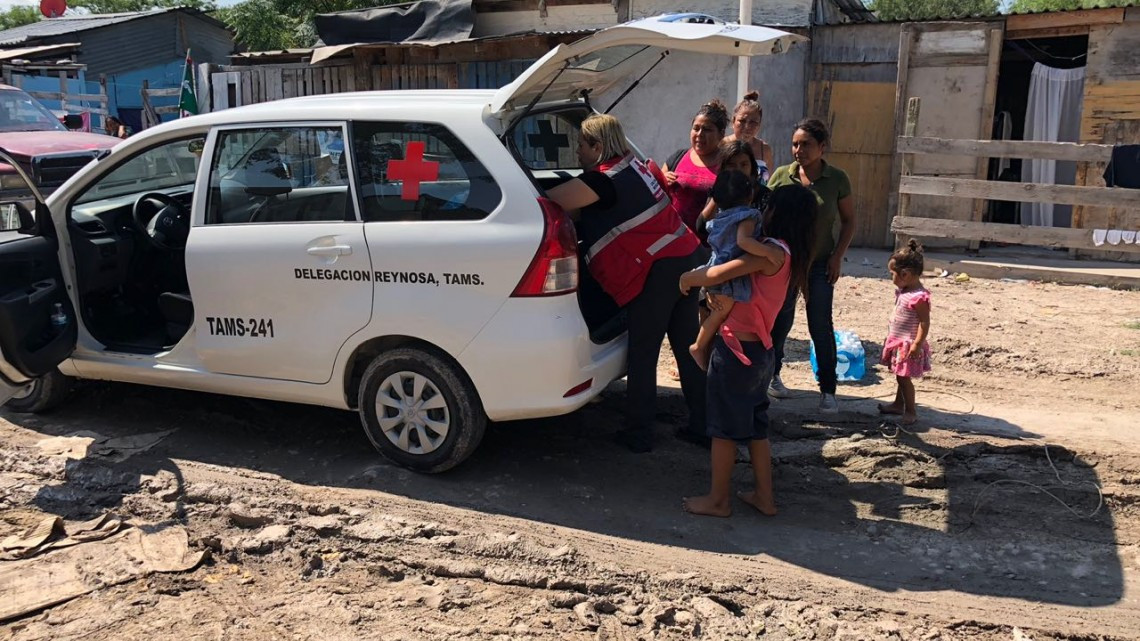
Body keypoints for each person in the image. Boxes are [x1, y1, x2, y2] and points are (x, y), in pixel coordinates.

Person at [546, 113, 708, 452]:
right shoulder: (636, 166)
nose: (577, 153)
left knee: (643, 353)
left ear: (598, 146)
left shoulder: (602, 181)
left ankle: (638, 434)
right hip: (685, 259)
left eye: (581, 146)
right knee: (686, 346)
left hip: (657, 271)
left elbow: (551, 202)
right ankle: (703, 426)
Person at [678, 184, 819, 517]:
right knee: (756, 428)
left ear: (777, 213)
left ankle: (718, 500)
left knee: (723, 431)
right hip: (760, 352)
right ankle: (764, 497)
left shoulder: (769, 251)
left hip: (735, 351)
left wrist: (688, 277)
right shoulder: (787, 254)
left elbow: (723, 271)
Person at [767, 118, 856, 414]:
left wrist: (837, 256)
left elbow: (849, 221)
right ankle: (773, 376)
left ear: (822, 147)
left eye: (805, 144)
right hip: (786, 264)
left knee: (820, 324)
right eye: (795, 144)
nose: (798, 150)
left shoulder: (837, 179)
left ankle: (828, 390)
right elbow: (765, 215)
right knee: (779, 321)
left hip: (820, 264)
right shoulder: (781, 175)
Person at [689, 170, 783, 372]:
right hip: (728, 270)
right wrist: (767, 252)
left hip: (714, 264)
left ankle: (702, 349)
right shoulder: (749, 215)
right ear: (750, 196)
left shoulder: (721, 216)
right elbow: (743, 241)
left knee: (715, 311)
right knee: (721, 312)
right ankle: (698, 346)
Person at [878, 240, 932, 425]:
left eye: (892, 274)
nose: (890, 277)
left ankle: (910, 411)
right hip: (898, 342)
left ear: (905, 274)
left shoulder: (919, 297)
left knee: (904, 378)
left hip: (908, 344)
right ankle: (897, 404)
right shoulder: (904, 291)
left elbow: (924, 322)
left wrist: (917, 343)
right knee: (899, 376)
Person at [661, 100, 729, 235]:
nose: (700, 134)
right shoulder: (677, 157)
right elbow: (656, 193)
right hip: (672, 239)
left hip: (709, 245)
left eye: (707, 129)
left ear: (721, 134)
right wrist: (662, 180)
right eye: (696, 128)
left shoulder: (728, 164)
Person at [724, 91, 774, 184]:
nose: (747, 127)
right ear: (733, 121)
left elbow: (769, 182)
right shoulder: (722, 145)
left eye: (753, 122)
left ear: (759, 125)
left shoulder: (765, 149)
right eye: (742, 121)